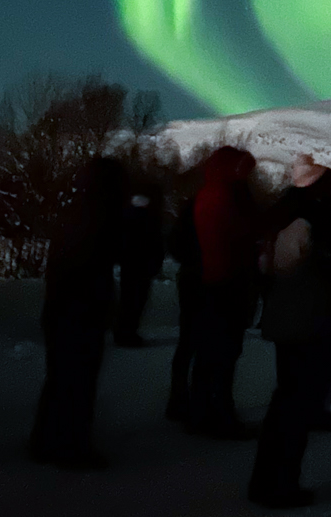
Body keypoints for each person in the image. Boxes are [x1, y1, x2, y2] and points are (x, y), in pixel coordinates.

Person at [247, 152, 331, 508]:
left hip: (293, 319)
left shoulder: (286, 214)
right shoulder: (306, 220)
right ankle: (277, 484)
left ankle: (271, 481)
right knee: (294, 405)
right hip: (306, 321)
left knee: (289, 402)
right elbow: (290, 267)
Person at [28, 154, 127, 469]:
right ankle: (71, 446)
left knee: (61, 378)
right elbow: (92, 264)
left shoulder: (77, 209)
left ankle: (46, 441)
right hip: (79, 310)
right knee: (77, 380)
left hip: (64, 308)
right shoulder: (97, 215)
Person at [185, 145, 261, 439]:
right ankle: (217, 415)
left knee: (211, 353)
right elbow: (241, 232)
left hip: (216, 282)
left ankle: (202, 411)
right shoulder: (227, 195)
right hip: (225, 283)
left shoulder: (210, 192)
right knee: (221, 353)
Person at [165, 184, 203, 421]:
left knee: (188, 342)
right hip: (200, 278)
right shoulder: (203, 210)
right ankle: (187, 399)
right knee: (195, 342)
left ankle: (179, 398)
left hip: (191, 277)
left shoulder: (189, 211)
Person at [113, 180, 165, 346]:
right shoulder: (150, 215)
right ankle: (127, 332)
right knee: (136, 299)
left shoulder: (128, 213)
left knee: (129, 298)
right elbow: (156, 240)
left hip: (131, 262)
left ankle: (124, 331)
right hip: (141, 262)